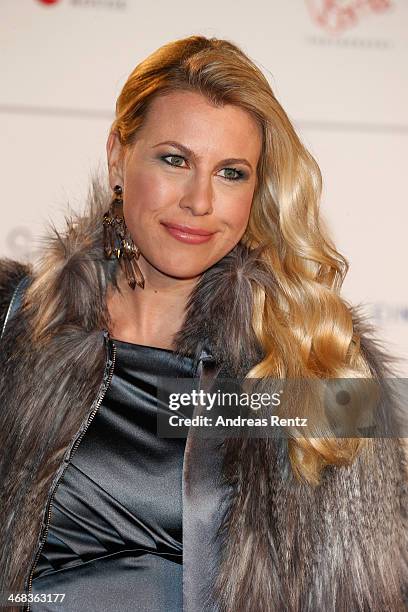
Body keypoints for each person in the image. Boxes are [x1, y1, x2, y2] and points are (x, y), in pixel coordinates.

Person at [0, 34, 407, 612]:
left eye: (231, 173)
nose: (200, 201)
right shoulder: (12, 325)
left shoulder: (315, 362)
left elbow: (366, 592)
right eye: (175, 160)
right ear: (118, 157)